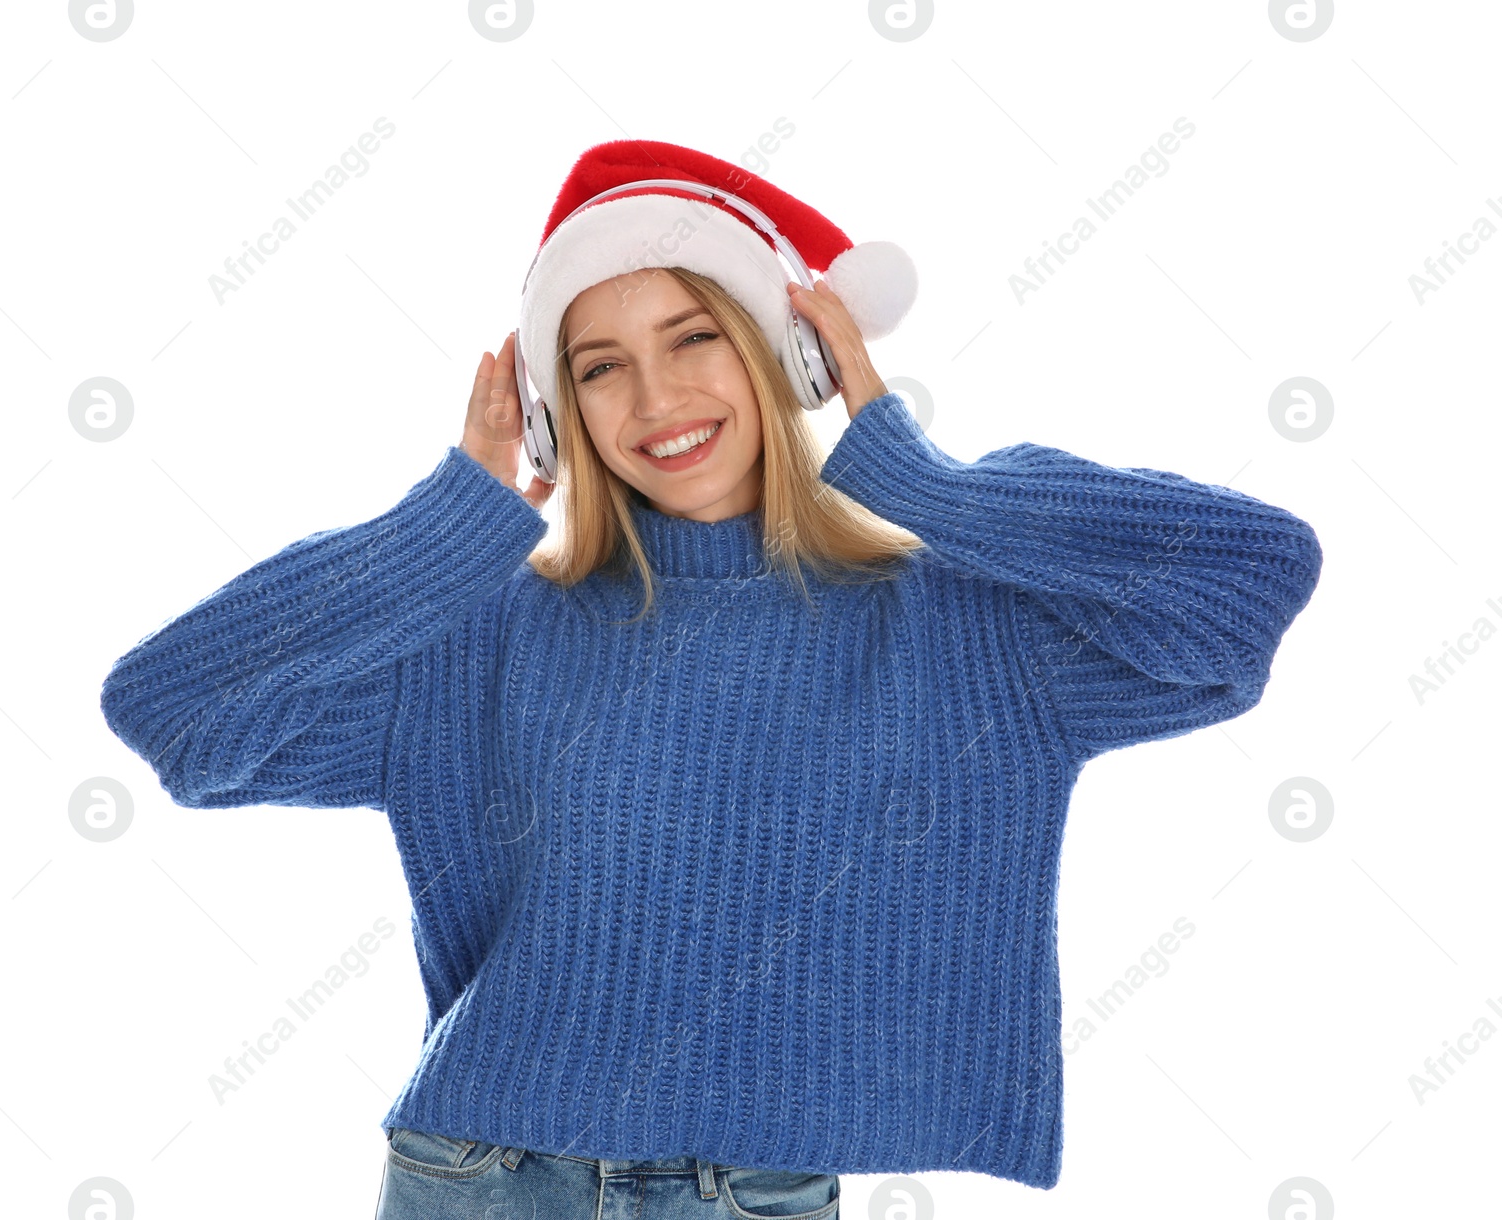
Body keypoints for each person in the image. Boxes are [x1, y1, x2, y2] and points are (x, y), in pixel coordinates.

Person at [99, 141, 1323, 1217]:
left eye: (695, 337)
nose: (657, 398)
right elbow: (176, 715)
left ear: (786, 355)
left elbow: (1245, 589)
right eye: (598, 366)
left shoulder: (963, 634)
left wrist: (923, 478)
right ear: (552, 408)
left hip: (758, 1191)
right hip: (478, 1181)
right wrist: (451, 527)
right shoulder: (483, 633)